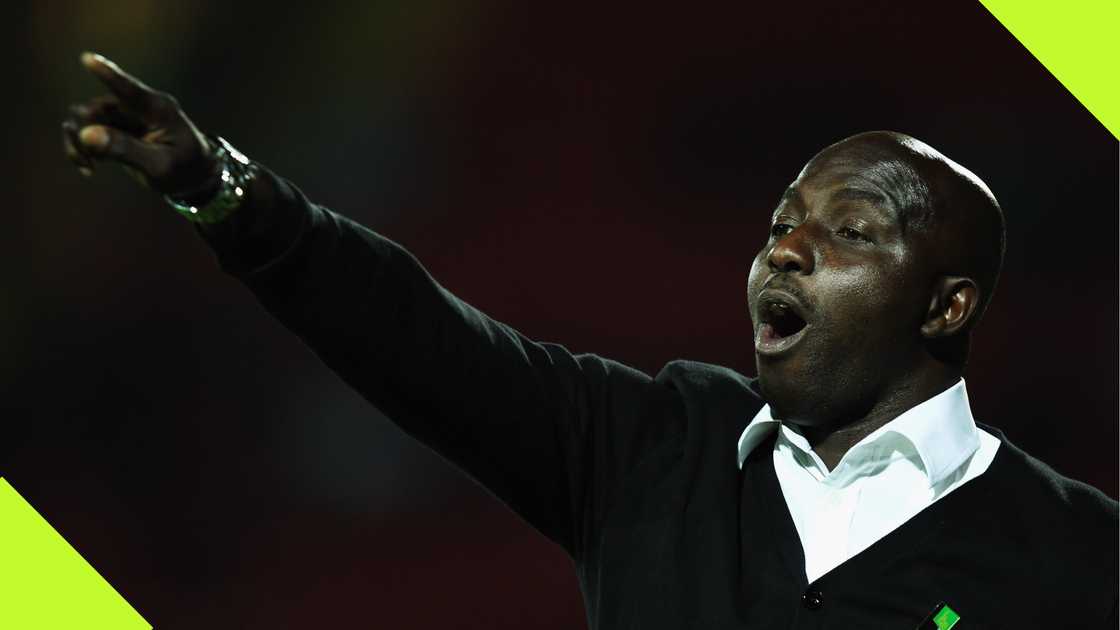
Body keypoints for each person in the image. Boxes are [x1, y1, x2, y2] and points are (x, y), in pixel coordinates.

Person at [62, 52, 1116, 629]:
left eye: (847, 232)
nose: (786, 250)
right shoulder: (656, 449)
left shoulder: (1079, 559)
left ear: (945, 307)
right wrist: (225, 194)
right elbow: (422, 341)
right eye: (778, 224)